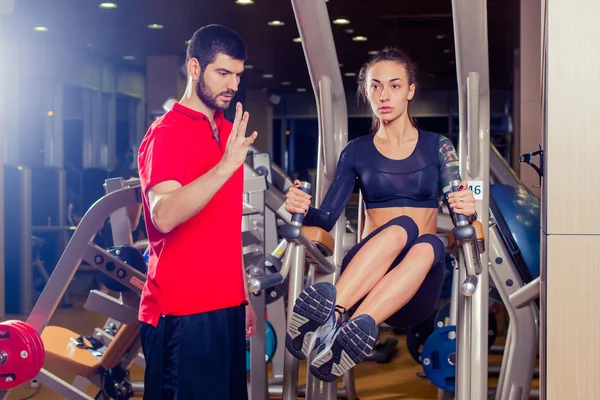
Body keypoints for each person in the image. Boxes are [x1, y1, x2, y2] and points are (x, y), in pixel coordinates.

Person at [284, 47, 477, 382]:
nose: (384, 95)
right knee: (402, 227)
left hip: (416, 285)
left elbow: (460, 211)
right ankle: (334, 319)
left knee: (429, 242)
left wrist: (468, 210)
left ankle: (336, 323)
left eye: (394, 85)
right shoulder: (356, 152)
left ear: (410, 91)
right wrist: (300, 206)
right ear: (366, 92)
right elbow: (326, 219)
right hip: (366, 278)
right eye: (375, 86)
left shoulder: (438, 147)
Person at [137, 24, 258, 400]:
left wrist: (243, 297)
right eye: (222, 73)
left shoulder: (227, 132)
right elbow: (164, 215)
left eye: (237, 75)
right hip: (182, 312)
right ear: (194, 68)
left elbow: (226, 225)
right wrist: (224, 167)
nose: (232, 84)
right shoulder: (167, 132)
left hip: (227, 306)